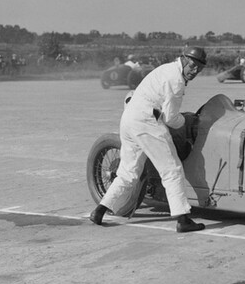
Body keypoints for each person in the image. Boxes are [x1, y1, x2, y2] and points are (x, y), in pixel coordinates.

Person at [89, 46, 208, 233]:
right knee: (172, 170)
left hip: (129, 118)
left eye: (198, 69)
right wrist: (187, 120)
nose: (194, 71)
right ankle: (182, 219)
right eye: (192, 66)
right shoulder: (176, 80)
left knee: (128, 173)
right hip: (146, 121)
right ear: (183, 59)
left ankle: (99, 211)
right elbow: (170, 118)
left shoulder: (165, 69)